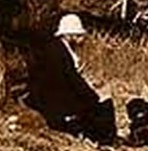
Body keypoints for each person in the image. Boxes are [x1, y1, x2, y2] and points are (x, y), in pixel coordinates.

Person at [27, 12, 116, 144]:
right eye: (79, 35)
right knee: (104, 106)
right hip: (57, 103)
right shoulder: (58, 52)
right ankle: (105, 139)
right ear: (70, 35)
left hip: (57, 96)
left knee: (98, 104)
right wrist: (93, 96)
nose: (82, 39)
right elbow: (72, 79)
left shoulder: (58, 48)